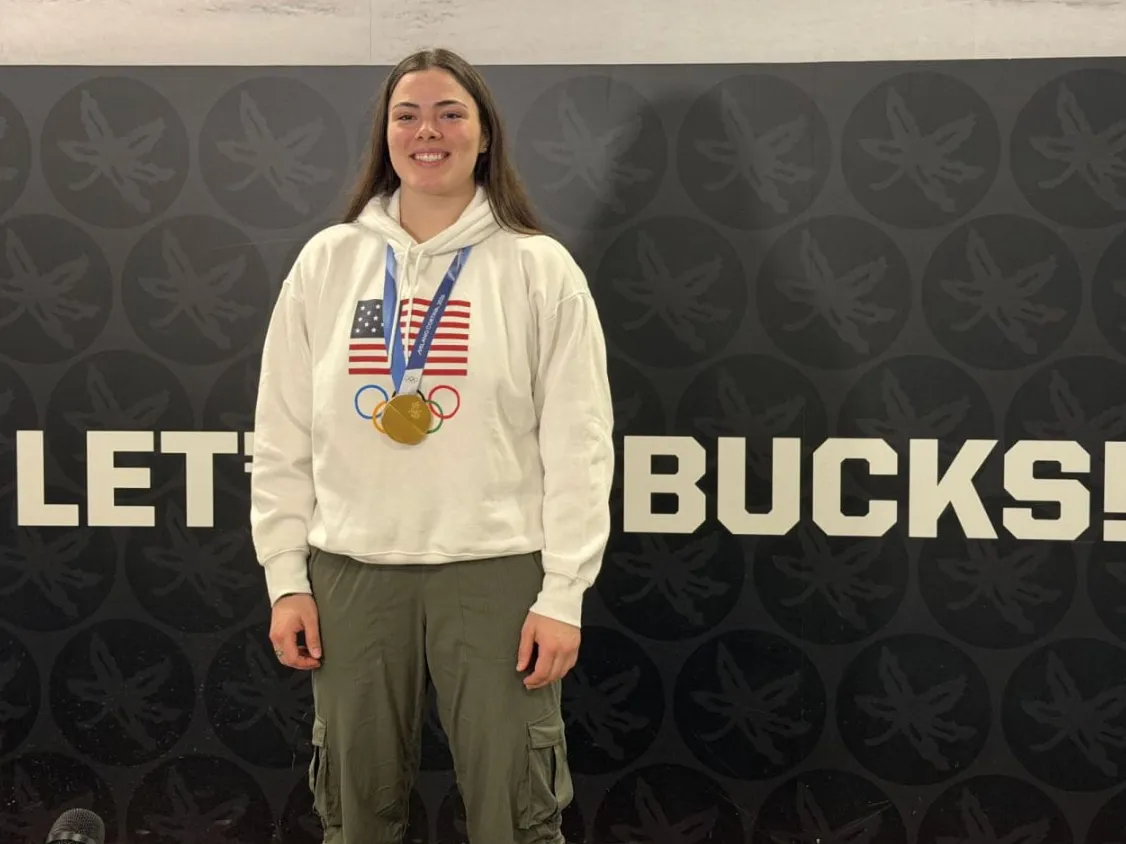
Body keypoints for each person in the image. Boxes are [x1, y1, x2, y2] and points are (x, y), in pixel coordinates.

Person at [248, 47, 614, 844]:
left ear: (485, 135)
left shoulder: (538, 268)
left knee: (515, 815)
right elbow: (281, 432)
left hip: (496, 571)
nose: (428, 132)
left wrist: (562, 593)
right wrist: (285, 577)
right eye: (407, 115)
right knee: (355, 815)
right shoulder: (328, 261)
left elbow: (580, 444)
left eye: (451, 114)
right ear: (385, 136)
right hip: (350, 572)